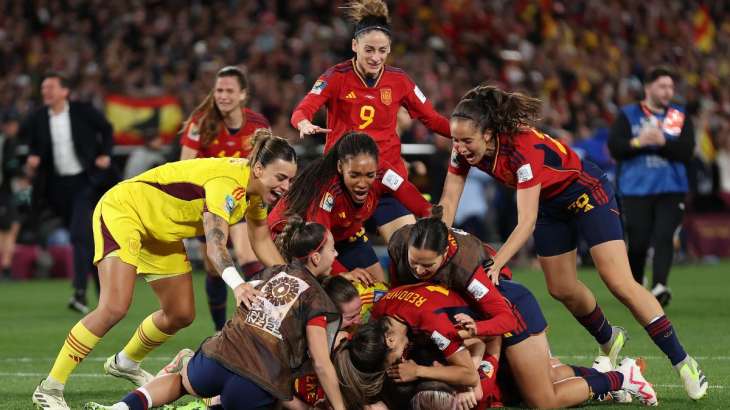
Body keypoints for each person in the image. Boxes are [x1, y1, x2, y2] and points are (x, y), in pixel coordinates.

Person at [440, 84, 707, 400]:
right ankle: (610, 338)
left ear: (487, 134)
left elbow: (525, 222)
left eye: (466, 140)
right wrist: (435, 242)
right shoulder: (465, 150)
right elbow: (449, 197)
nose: (460, 147)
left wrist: (496, 263)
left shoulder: (521, 151)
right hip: (550, 206)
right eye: (455, 140)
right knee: (561, 288)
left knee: (619, 282)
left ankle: (683, 361)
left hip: (586, 193)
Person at [32, 130, 297, 410]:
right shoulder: (227, 184)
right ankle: (49, 388)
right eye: (281, 178)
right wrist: (238, 284)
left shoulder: (254, 194)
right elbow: (216, 247)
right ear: (258, 168)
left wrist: (292, 280)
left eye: (291, 179)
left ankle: (125, 362)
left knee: (180, 313)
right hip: (125, 211)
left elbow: (261, 238)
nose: (286, 186)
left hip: (161, 233)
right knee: (114, 306)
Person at [84, 217, 387, 410]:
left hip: (220, 354)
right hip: (256, 379)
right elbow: (321, 363)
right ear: (317, 256)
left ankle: (122, 409)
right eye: (333, 250)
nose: (336, 256)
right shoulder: (317, 301)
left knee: (179, 384)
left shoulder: (272, 272)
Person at [390, 213, 658, 407]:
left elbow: (503, 319)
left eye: (428, 266)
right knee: (545, 376)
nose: (419, 271)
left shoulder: (466, 268)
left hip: (511, 307)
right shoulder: (400, 247)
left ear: (446, 252)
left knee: (543, 401)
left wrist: (478, 330)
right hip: (479, 312)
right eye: (415, 263)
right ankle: (607, 379)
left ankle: (623, 378)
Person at [291, 0, 450, 243]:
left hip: (388, 182)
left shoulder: (400, 81)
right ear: (355, 45)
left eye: (382, 51)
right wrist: (303, 122)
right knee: (324, 253)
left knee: (407, 250)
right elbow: (303, 109)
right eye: (369, 50)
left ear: (389, 49)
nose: (376, 58)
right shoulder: (335, 77)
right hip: (343, 183)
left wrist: (464, 134)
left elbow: (433, 119)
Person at [269, 131, 432, 283]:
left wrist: (430, 213)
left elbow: (404, 190)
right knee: (342, 294)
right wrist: (341, 275)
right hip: (296, 240)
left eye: (369, 175)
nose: (362, 184)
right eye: (354, 175)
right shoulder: (327, 190)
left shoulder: (381, 171)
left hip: (344, 236)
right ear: (340, 168)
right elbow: (318, 239)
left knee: (377, 289)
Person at [179, 65, 271, 331]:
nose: (223, 95)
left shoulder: (257, 125)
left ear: (243, 94)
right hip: (209, 204)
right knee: (212, 267)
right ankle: (220, 331)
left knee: (244, 252)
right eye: (219, 90)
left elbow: (264, 166)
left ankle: (259, 324)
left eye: (229, 90)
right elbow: (184, 166)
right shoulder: (201, 122)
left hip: (241, 199)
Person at [20, 71, 115, 313]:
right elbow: (31, 141)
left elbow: (106, 128)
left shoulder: (82, 111)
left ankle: (79, 294)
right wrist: (33, 157)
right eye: (43, 88)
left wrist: (105, 153)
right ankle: (103, 294)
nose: (46, 92)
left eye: (50, 87)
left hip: (84, 182)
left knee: (78, 236)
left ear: (64, 91)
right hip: (55, 188)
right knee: (89, 241)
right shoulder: (38, 118)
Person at [607, 66, 695, 306]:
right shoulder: (629, 115)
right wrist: (639, 141)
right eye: (662, 86)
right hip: (636, 188)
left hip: (671, 187)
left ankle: (659, 286)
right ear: (648, 87)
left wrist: (663, 142)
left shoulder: (676, 116)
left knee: (665, 235)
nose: (668, 91)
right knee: (638, 242)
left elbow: (686, 151)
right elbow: (615, 147)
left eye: (670, 87)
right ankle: (635, 286)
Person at [0, 112, 23, 280]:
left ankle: (6, 266)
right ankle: (5, 267)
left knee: (12, 227)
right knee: (7, 229)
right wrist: (26, 174)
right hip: (3, 192)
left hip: (6, 192)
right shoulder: (7, 142)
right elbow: (10, 167)